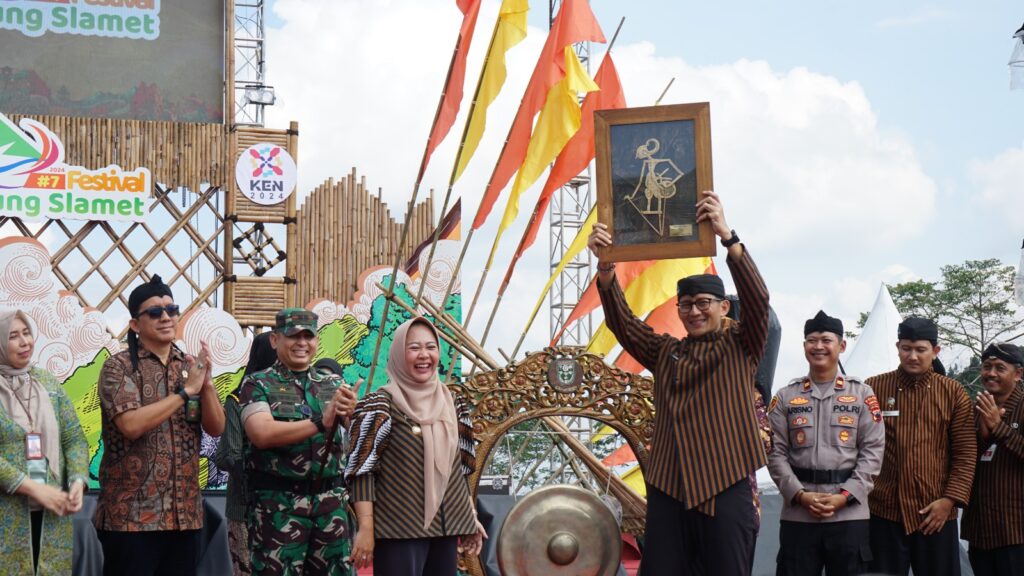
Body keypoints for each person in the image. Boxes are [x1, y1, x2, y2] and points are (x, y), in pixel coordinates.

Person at [587, 190, 769, 575]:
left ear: (723, 307)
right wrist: (606, 268)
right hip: (670, 488)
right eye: (686, 305)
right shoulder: (666, 352)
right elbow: (624, 325)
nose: (694, 311)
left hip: (725, 482)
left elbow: (757, 300)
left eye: (704, 303)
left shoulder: (743, 345)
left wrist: (727, 236)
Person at [94, 275, 226, 576]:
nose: (166, 317)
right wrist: (186, 393)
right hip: (131, 518)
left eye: (171, 309)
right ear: (135, 325)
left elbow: (216, 428)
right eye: (155, 312)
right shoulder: (119, 366)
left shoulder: (188, 366)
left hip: (184, 515)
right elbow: (131, 425)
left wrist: (206, 384)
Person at [346, 316, 487, 575]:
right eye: (414, 348)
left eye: (431, 347)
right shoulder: (378, 406)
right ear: (399, 354)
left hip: (446, 529)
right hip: (399, 530)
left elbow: (462, 470)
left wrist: (470, 517)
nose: (424, 355)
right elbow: (361, 472)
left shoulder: (454, 404)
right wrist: (365, 528)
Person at [239, 308, 358, 575]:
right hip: (278, 510)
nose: (302, 343)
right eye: (293, 336)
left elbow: (358, 437)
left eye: (308, 336)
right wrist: (320, 422)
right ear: (275, 340)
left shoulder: (334, 383)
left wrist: (353, 415)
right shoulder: (257, 384)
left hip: (331, 507)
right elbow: (262, 433)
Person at [767, 311, 885, 575]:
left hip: (848, 514)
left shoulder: (862, 394)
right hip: (799, 513)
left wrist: (844, 496)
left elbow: (873, 452)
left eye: (826, 340)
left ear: (841, 346)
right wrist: (800, 495)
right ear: (804, 346)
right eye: (812, 340)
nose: (818, 346)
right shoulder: (785, 396)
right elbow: (774, 453)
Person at [866, 317, 976, 576]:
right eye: (906, 348)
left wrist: (949, 501)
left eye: (921, 349)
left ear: (935, 351)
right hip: (884, 511)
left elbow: (965, 453)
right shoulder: (873, 388)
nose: (913, 356)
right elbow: (860, 446)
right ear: (897, 347)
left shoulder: (953, 392)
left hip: (936, 513)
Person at [0, 310, 89, 575]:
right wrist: (33, 488)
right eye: (13, 336)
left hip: (53, 512)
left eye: (26, 333)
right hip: (8, 514)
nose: (24, 342)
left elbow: (74, 438)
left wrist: (77, 481)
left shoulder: (48, 382)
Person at [213, 331, 276, 576]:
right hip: (245, 506)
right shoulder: (237, 399)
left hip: (283, 505)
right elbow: (230, 454)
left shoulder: (288, 396)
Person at [962, 343, 1024, 576]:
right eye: (987, 367)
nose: (991, 373)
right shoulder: (975, 409)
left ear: (1018, 374)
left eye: (1000, 368)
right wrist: (984, 435)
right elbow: (964, 458)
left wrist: (999, 428)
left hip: (1016, 531)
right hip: (980, 530)